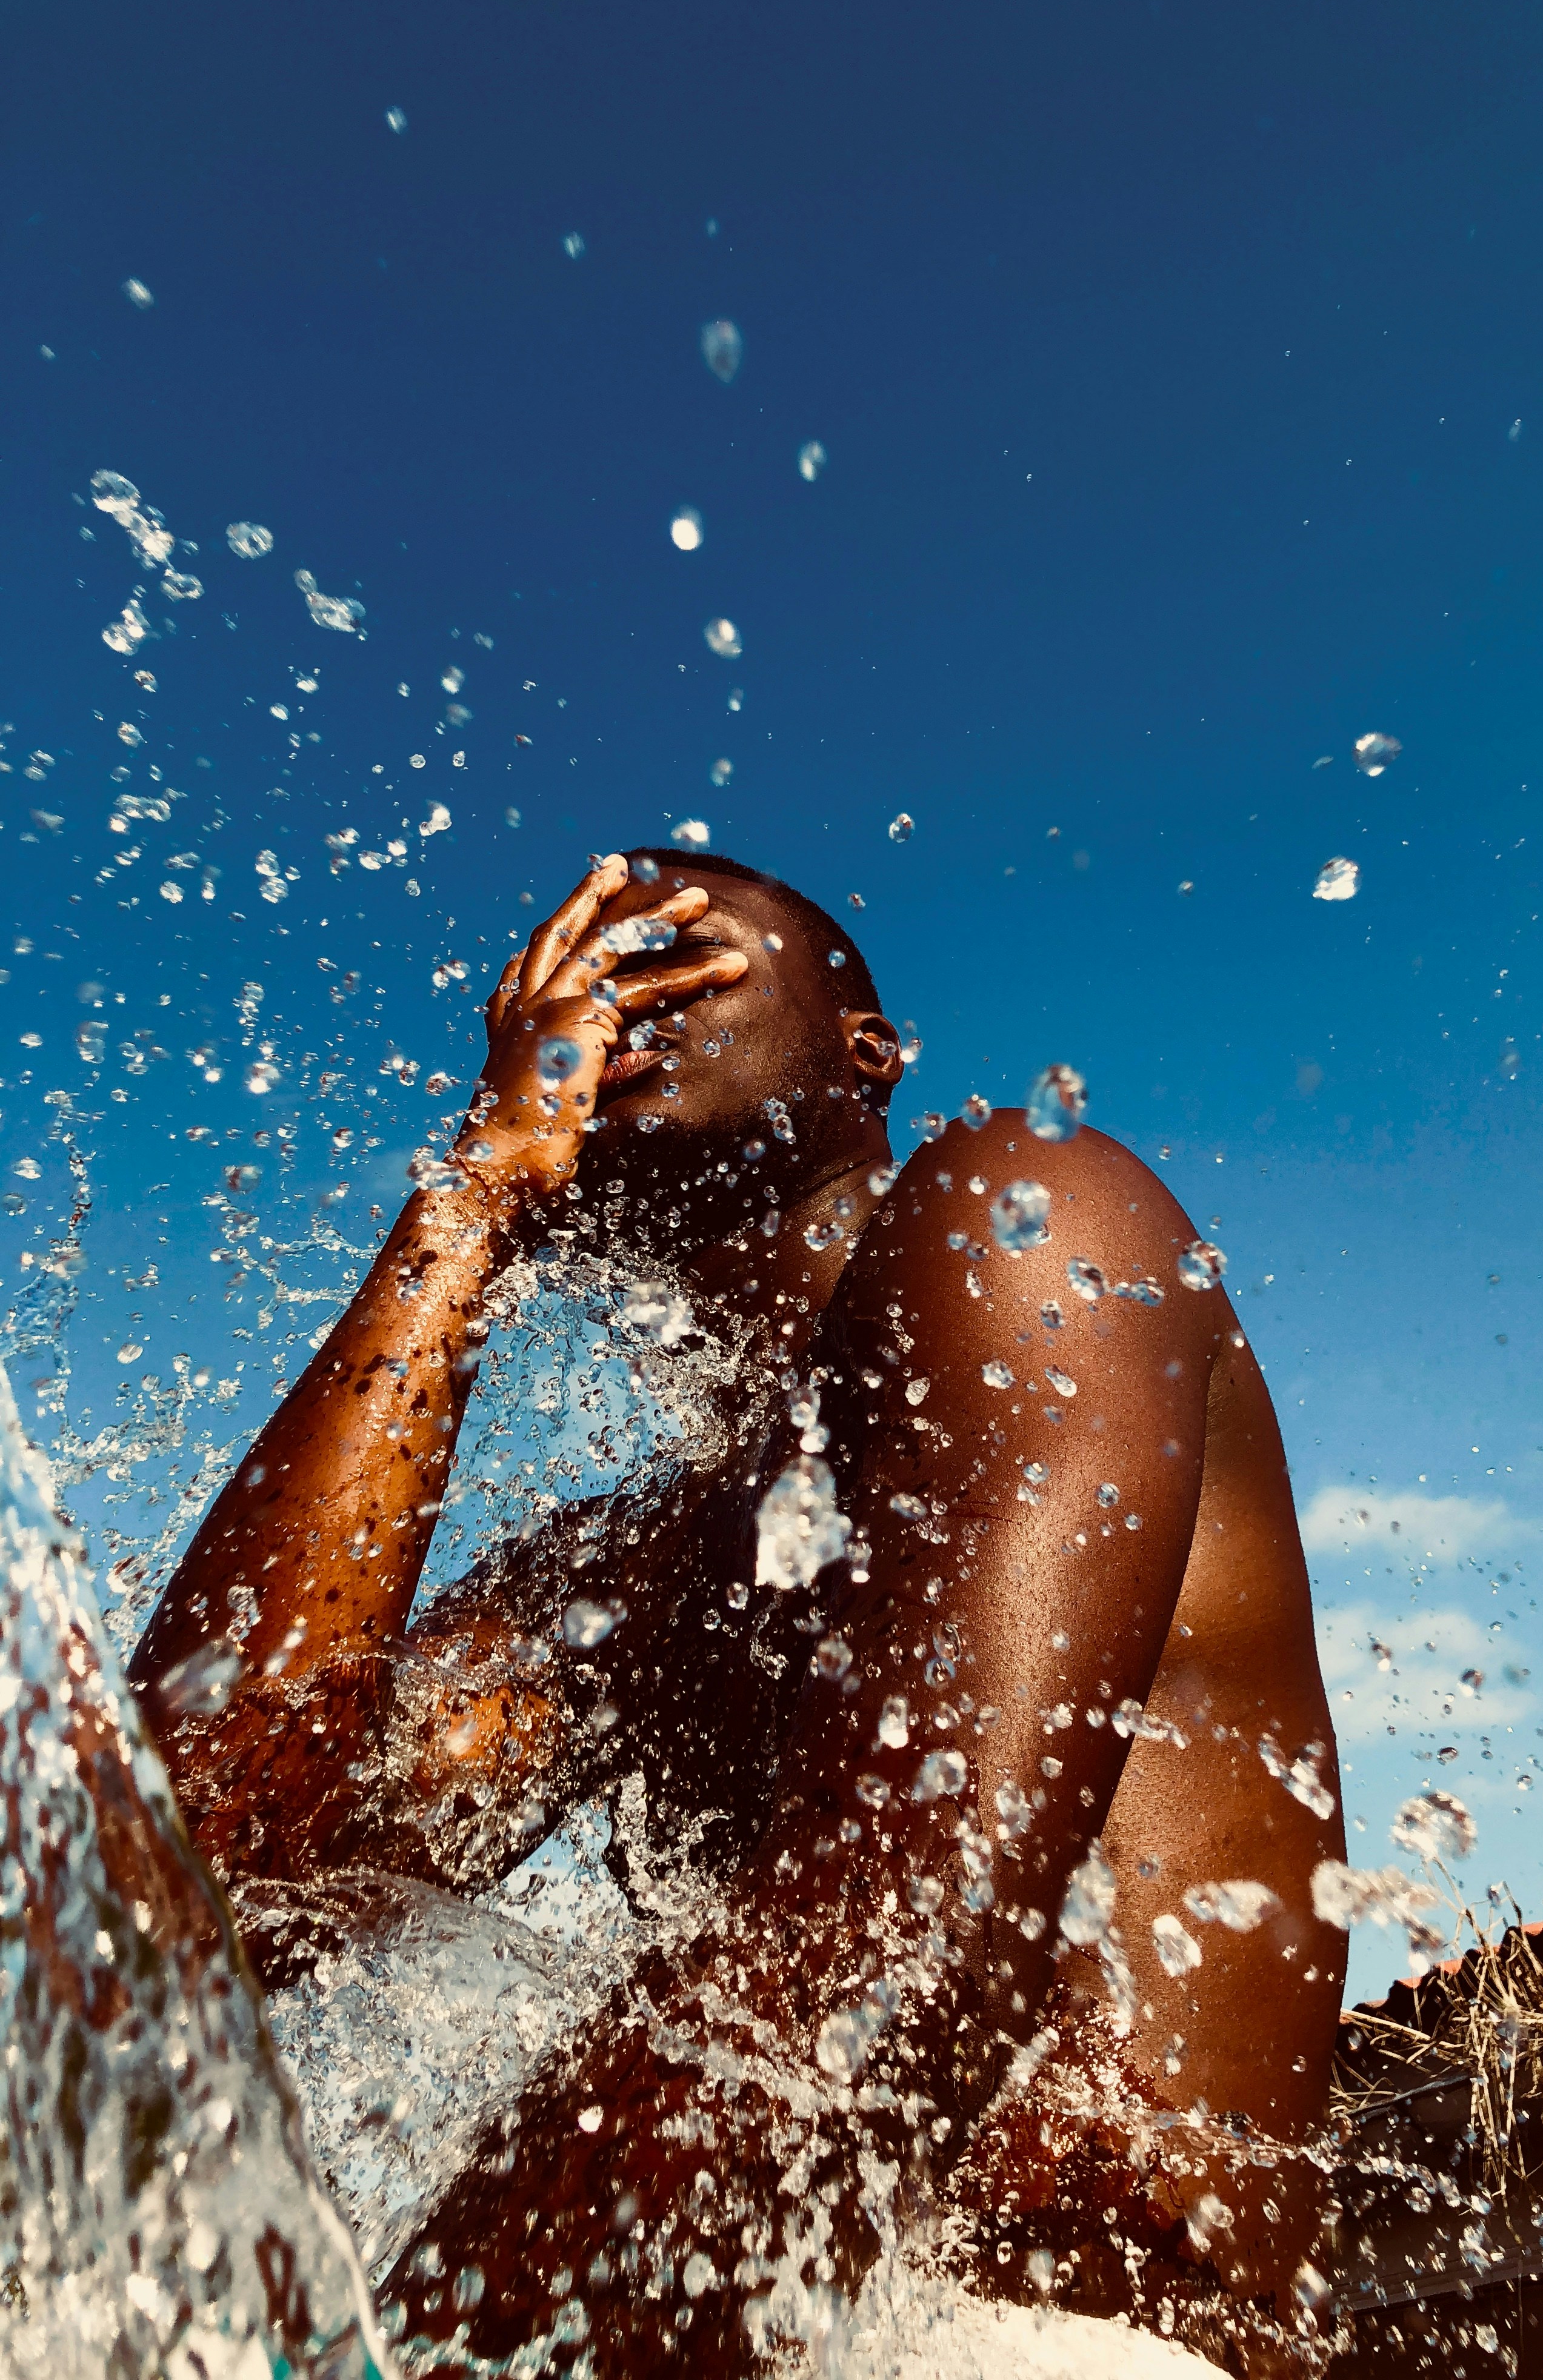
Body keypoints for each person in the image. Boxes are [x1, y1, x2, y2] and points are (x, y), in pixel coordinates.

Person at [132, 851, 1348, 2373]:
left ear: (868, 1055)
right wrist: (470, 1204)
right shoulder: (633, 1570)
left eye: (674, 954)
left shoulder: (1026, 1216)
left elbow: (892, 1965)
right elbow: (192, 1917)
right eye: (580, 975)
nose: (612, 995)